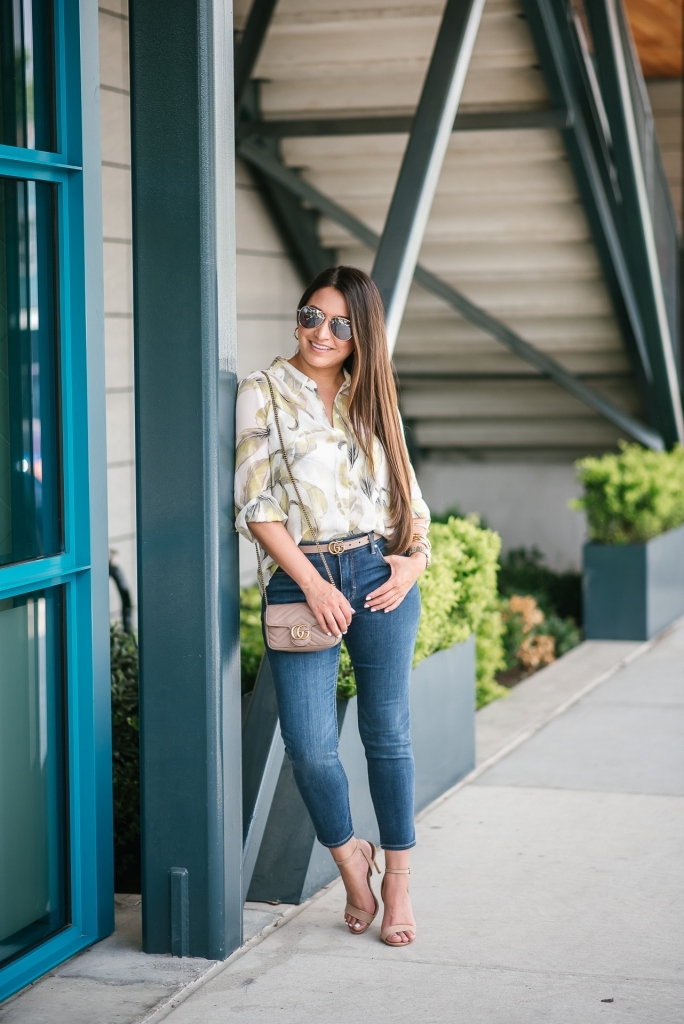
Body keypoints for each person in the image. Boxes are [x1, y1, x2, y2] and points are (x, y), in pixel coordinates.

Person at [234, 266, 431, 946]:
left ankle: (399, 877)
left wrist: (415, 561)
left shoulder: (372, 395)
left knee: (388, 734)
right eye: (312, 316)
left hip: (381, 573)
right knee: (311, 746)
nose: (322, 332)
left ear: (361, 334)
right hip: (301, 579)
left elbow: (410, 494)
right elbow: (256, 506)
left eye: (341, 324)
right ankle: (352, 859)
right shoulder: (263, 392)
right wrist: (314, 584)